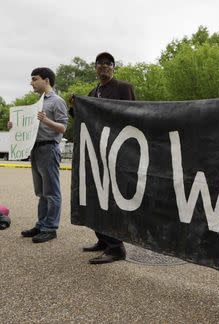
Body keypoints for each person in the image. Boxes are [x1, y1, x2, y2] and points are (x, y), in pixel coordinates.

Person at [71, 52, 135, 264]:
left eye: (109, 63)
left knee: (110, 198)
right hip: (96, 152)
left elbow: (132, 115)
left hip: (115, 150)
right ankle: (103, 239)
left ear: (114, 68)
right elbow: (86, 121)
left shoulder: (123, 87)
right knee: (95, 195)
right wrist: (75, 108)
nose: (104, 66)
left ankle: (116, 247)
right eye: (100, 63)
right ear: (95, 68)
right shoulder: (93, 92)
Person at [8, 68, 68, 243]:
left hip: (49, 148)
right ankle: (41, 225)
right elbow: (32, 127)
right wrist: (15, 126)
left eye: (35, 79)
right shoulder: (38, 103)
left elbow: (63, 128)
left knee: (51, 192)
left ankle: (50, 228)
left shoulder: (57, 102)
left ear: (46, 80)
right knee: (41, 192)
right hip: (36, 149)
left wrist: (46, 120)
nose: (31, 83)